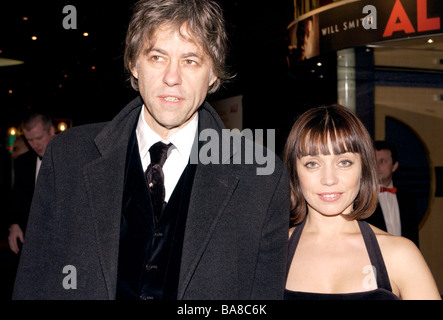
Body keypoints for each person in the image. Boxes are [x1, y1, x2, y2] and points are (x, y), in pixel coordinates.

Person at [12, 0, 290, 300]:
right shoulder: (68, 157)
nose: (172, 77)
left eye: (191, 61)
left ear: (213, 75)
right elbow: (34, 284)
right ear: (134, 64)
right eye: (158, 57)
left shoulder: (262, 178)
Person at [283, 104, 440, 300]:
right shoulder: (271, 251)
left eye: (344, 162)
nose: (329, 179)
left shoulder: (400, 255)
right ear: (295, 172)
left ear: (363, 169)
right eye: (312, 164)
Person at [8, 112, 55, 255]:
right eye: (30, 140)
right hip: (32, 244)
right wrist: (14, 224)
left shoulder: (72, 158)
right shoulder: (23, 162)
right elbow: (18, 198)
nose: (35, 145)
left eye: (39, 138)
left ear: (52, 131)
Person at [365, 140, 419, 247]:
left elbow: (413, 238)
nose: (377, 166)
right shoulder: (363, 199)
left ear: (394, 166)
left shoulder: (407, 198)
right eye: (373, 161)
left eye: (383, 161)